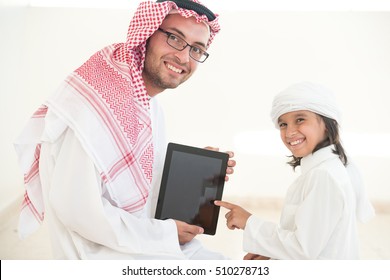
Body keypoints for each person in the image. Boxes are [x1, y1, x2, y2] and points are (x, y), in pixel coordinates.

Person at [14, 0, 235, 259]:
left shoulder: (149, 106)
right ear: (147, 35)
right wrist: (164, 234)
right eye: (174, 38)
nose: (184, 57)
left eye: (197, 49)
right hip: (102, 256)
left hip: (140, 241)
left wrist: (190, 173)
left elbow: (137, 183)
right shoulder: (94, 106)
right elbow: (79, 211)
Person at [215, 82, 375, 259]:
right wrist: (271, 253)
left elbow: (303, 249)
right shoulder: (325, 169)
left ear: (327, 124)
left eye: (300, 119)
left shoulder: (324, 175)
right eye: (283, 124)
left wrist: (249, 222)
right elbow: (313, 243)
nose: (289, 132)